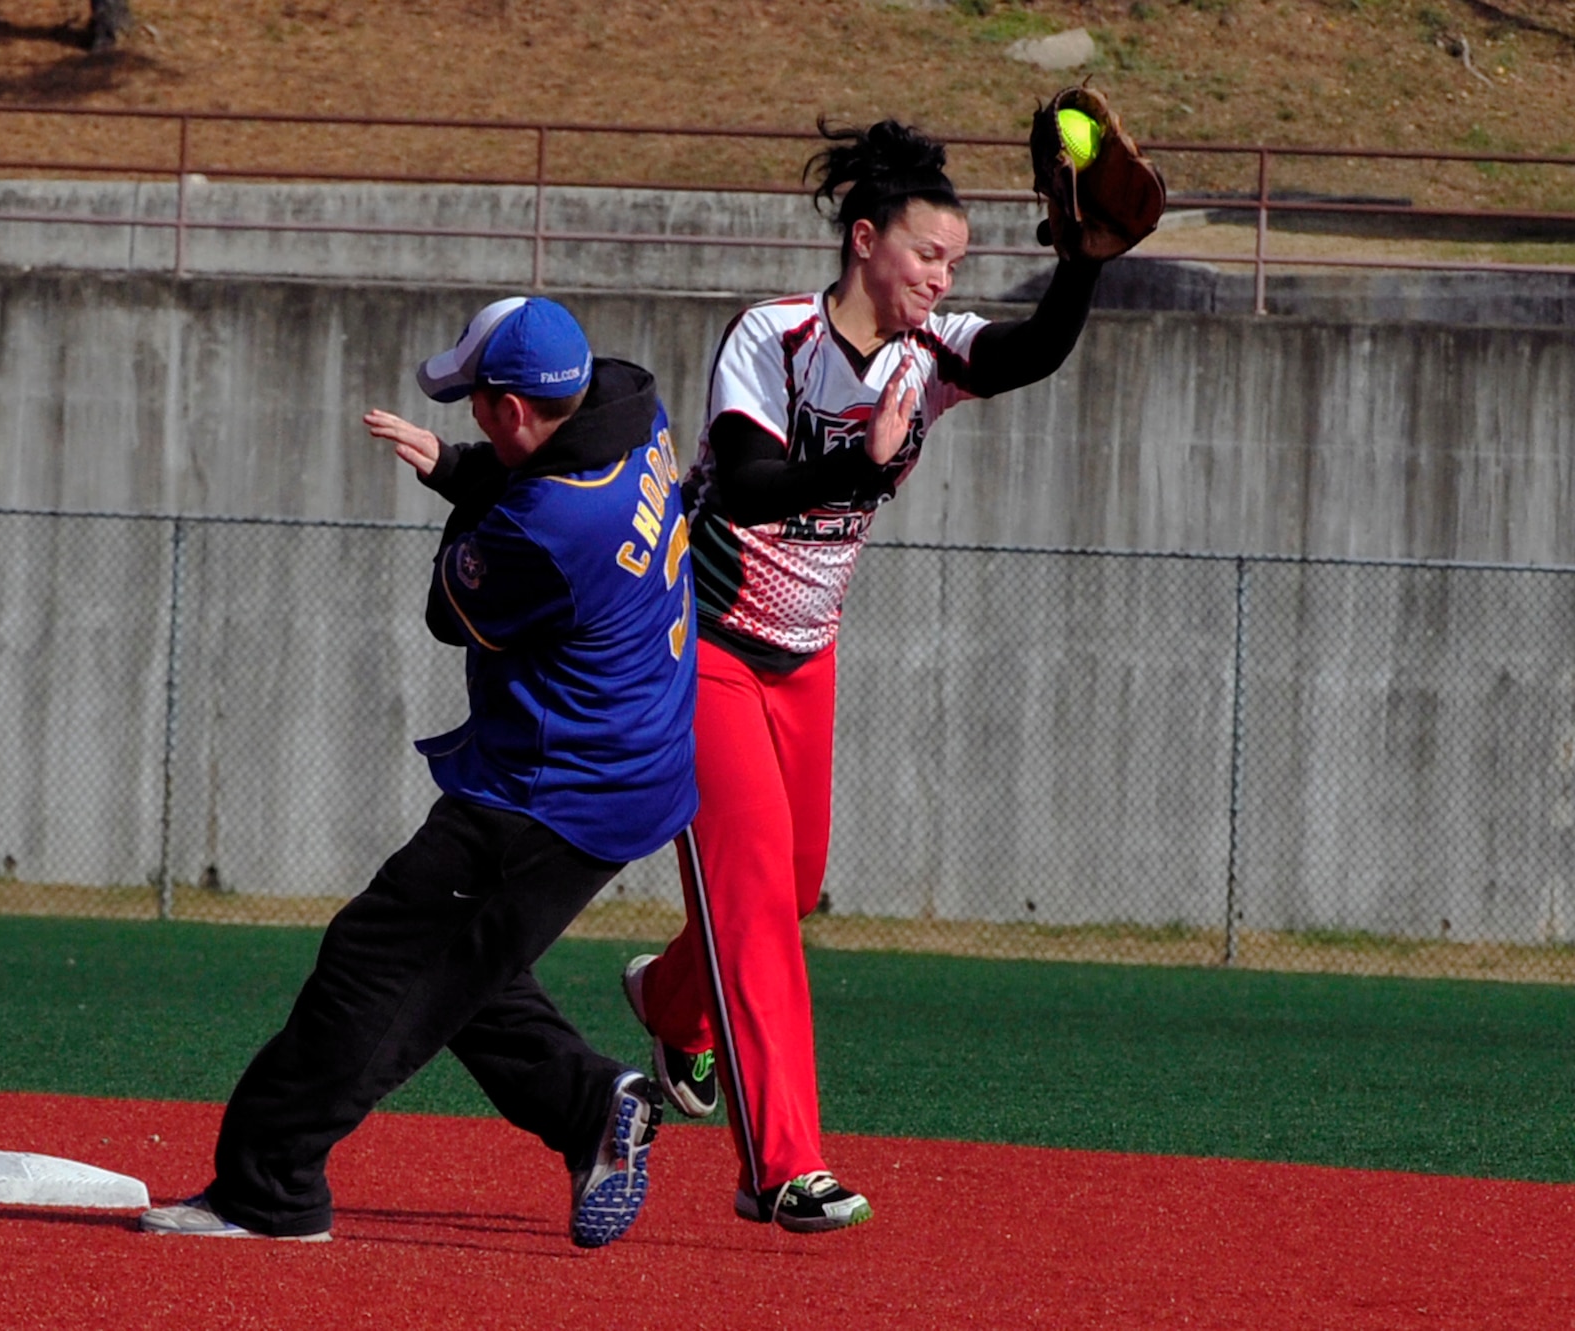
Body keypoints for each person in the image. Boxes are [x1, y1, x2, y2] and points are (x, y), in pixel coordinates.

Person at [621, 118, 1110, 1233]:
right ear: (862, 241)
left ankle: (665, 997)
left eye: (955, 264)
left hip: (805, 654)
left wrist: (1082, 263)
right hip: (701, 645)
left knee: (789, 890)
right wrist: (860, 457)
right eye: (928, 255)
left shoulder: (924, 353)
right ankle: (779, 1164)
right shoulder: (771, 335)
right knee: (755, 903)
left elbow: (1029, 352)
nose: (942, 279)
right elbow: (741, 481)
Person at [140, 295, 699, 1248]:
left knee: (371, 965)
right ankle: (591, 1102)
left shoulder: (551, 524)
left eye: (477, 404)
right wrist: (462, 469)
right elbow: (524, 475)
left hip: (550, 793)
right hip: (630, 759)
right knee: (458, 970)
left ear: (515, 410)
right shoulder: (629, 404)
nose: (468, 417)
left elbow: (454, 603)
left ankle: (267, 1189)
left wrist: (468, 492)